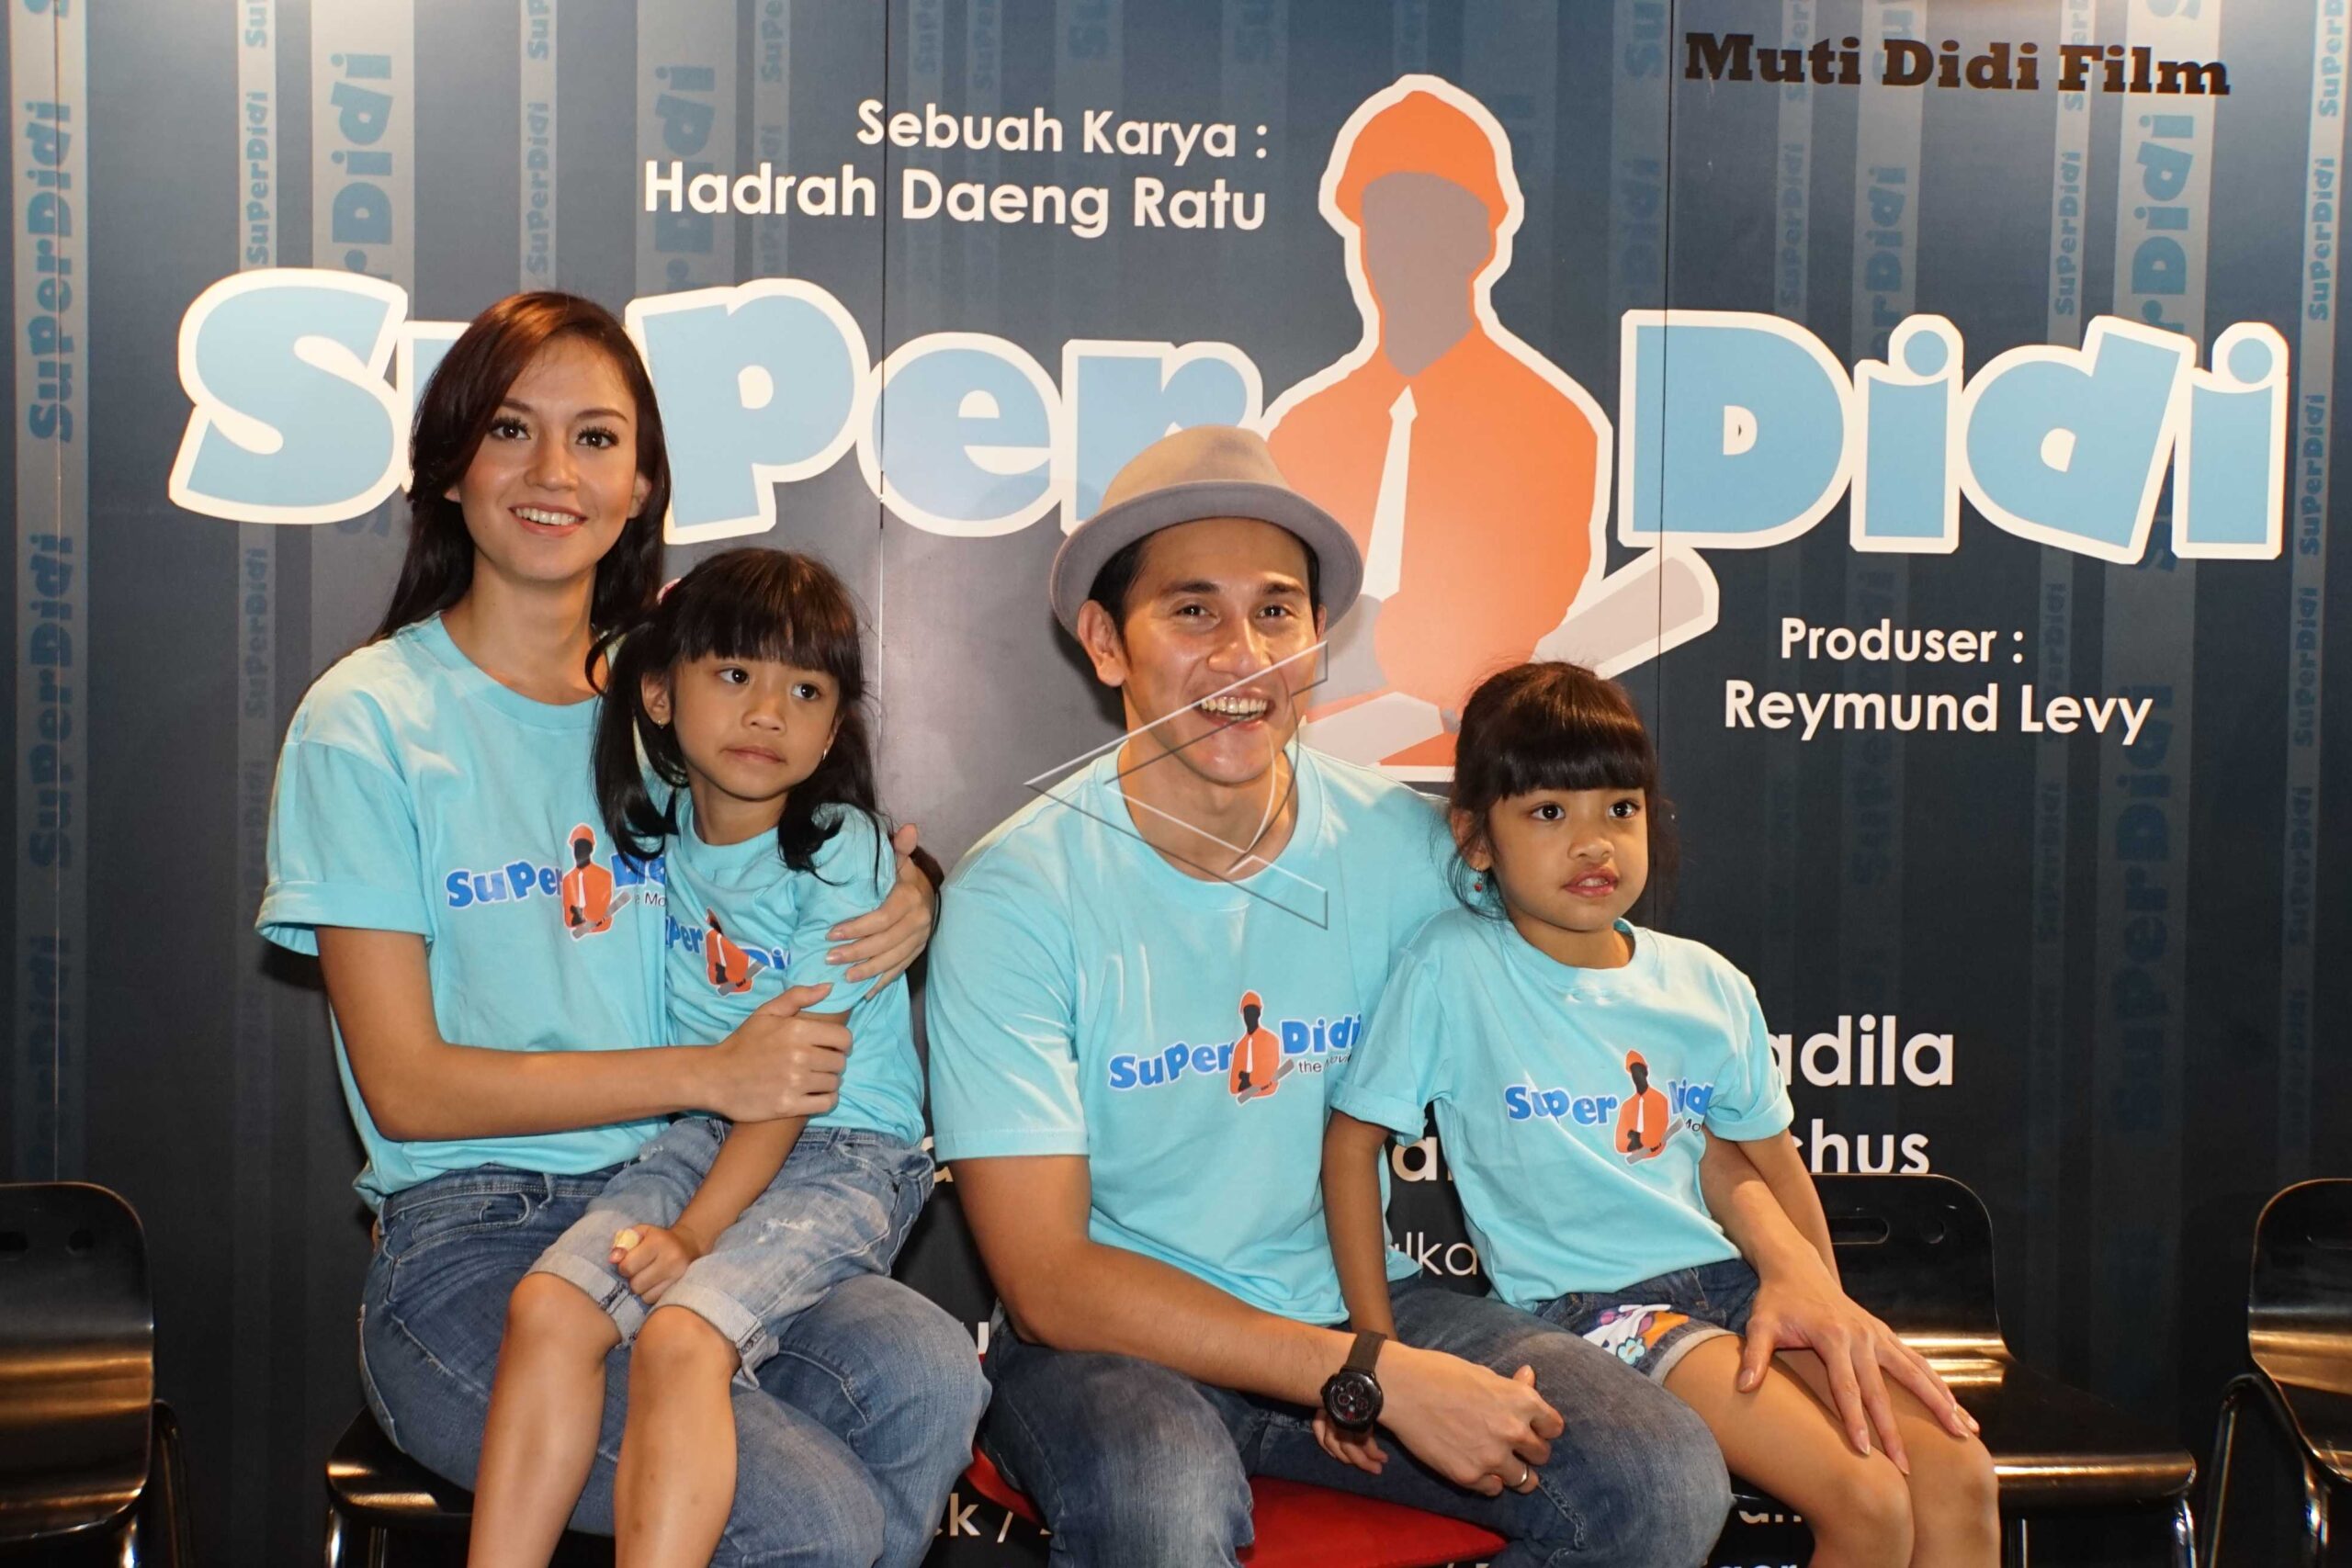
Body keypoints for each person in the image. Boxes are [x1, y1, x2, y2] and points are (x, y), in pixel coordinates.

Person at [257, 292, 984, 1567]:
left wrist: (909, 887)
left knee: (926, 1367)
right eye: (510, 430)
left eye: (594, 438)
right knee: (808, 1516)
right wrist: (709, 1072)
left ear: (641, 482)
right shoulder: (367, 720)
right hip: (471, 1240)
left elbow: (812, 848)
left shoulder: (684, 707)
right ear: (449, 466)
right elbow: (409, 1087)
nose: (554, 472)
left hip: (695, 1189)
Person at [926, 423, 1733, 1567]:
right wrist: (1364, 1374)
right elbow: (1051, 1280)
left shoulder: (1417, 850)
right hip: (1110, 1348)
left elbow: (1644, 1031)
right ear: (1107, 641)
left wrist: (1798, 1275)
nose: (1242, 654)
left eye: (1275, 611)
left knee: (1654, 1473)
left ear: (1315, 640)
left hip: (1360, 1306)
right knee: (1161, 1509)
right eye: (1193, 611)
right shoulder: (1016, 894)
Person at [1323, 660, 1999, 1567]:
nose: (1592, 843)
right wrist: (1374, 1353)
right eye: (1549, 812)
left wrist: (1825, 1303)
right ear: (1476, 838)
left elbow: (1771, 1167)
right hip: (1596, 1314)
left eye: (1620, 808)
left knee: (1958, 1474)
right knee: (1869, 1502)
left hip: (1735, 1287)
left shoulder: (1705, 983)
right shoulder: (1452, 966)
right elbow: (1351, 1147)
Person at [467, 548, 943, 1566]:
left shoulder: (839, 850)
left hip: (841, 1149)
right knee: (550, 1306)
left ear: (833, 731)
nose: (766, 713)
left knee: (682, 1335)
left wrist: (693, 1233)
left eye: (804, 691)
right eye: (734, 674)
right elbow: (601, 653)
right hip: (704, 1128)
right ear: (660, 693)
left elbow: (792, 1084)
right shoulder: (666, 817)